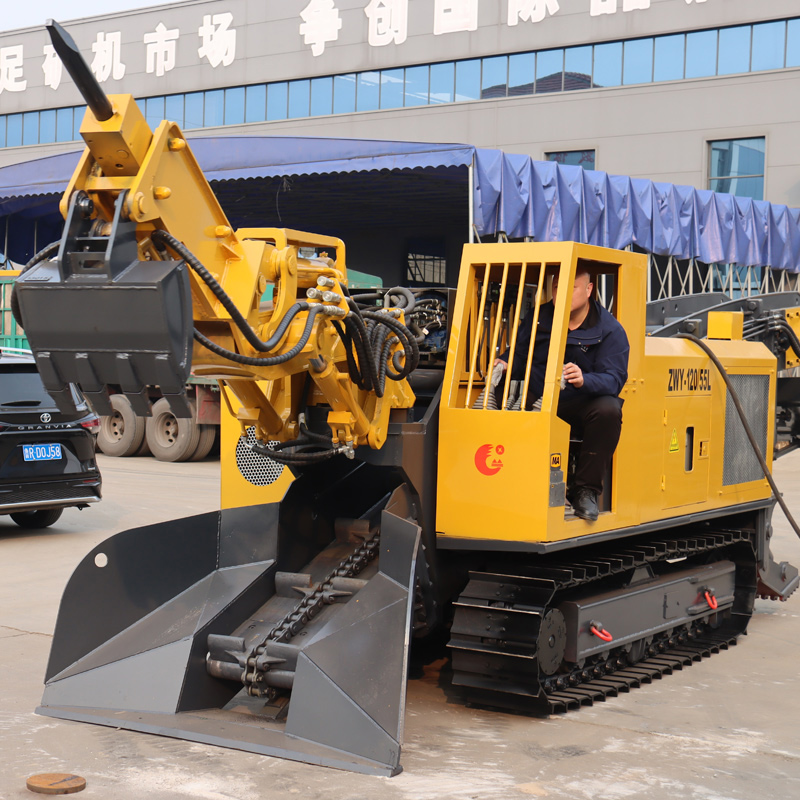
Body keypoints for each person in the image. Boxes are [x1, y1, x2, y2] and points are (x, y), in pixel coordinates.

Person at [494, 266, 629, 521]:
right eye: (556, 287)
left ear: (589, 290)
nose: (561, 293)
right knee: (502, 394)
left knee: (609, 410)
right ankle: (509, 481)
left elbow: (614, 378)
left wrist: (584, 380)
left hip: (580, 403)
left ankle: (585, 491)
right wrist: (504, 362)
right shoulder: (539, 318)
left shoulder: (610, 330)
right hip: (539, 395)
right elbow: (521, 355)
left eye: (571, 287)